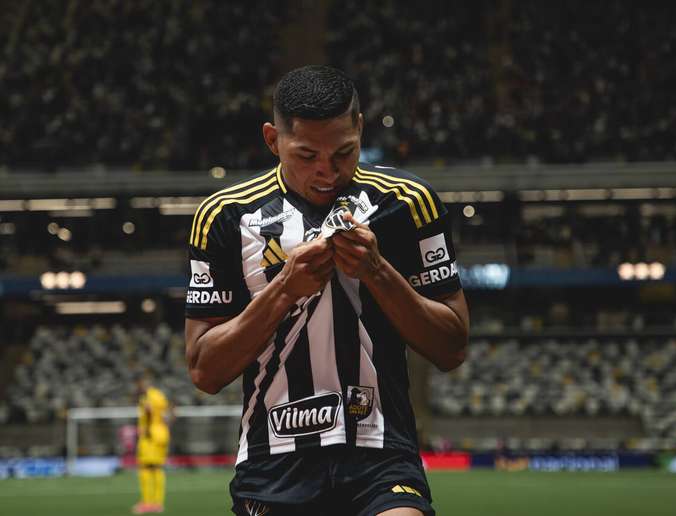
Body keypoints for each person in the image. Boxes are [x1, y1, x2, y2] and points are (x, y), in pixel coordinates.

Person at [185, 65, 469, 516]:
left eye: (344, 152)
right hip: (274, 463)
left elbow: (452, 346)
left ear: (360, 128)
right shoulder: (226, 216)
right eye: (306, 155)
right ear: (272, 140)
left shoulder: (408, 203)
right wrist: (283, 290)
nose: (327, 171)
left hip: (382, 456)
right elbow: (205, 370)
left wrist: (378, 271)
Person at [132, 376, 172, 514]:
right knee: (157, 468)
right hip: (162, 433)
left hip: (150, 434)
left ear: (142, 383)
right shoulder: (160, 395)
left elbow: (148, 410)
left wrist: (147, 429)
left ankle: (147, 502)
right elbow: (170, 411)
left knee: (145, 467)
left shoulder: (147, 397)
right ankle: (158, 503)